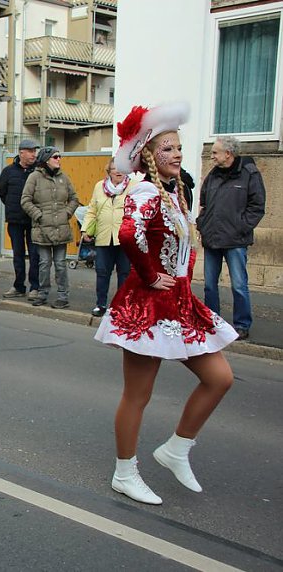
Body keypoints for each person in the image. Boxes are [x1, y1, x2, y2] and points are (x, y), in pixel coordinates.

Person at [95, 102, 238, 505]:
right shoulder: (143, 189)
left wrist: (176, 278)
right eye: (168, 148)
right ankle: (125, 472)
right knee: (138, 395)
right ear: (149, 156)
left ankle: (176, 449)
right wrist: (147, 273)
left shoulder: (174, 194)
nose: (177, 154)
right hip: (147, 304)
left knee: (219, 377)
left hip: (177, 301)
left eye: (178, 147)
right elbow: (128, 233)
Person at [197, 136, 266, 340]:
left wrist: (241, 227)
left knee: (238, 285)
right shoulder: (213, 175)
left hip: (236, 240)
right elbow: (204, 203)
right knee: (210, 284)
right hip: (212, 238)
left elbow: (257, 207)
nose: (212, 156)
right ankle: (212, 321)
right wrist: (202, 224)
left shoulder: (249, 174)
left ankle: (242, 325)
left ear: (228, 153)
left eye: (215, 152)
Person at [20, 146, 78, 309]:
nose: (59, 159)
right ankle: (42, 293)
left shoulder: (64, 178)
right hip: (42, 229)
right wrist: (39, 215)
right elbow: (25, 200)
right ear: (46, 160)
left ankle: (62, 296)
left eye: (59, 156)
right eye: (55, 157)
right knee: (44, 263)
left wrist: (66, 213)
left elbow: (74, 198)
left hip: (61, 228)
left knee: (60, 263)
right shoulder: (34, 177)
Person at [81, 158, 131, 317]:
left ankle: (121, 307)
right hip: (103, 236)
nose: (118, 171)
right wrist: (85, 230)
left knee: (124, 273)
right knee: (102, 272)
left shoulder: (134, 186)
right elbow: (92, 210)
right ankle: (101, 304)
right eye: (114, 168)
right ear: (109, 172)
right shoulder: (99, 187)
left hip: (124, 238)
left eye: (121, 168)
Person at [0, 139, 40, 300]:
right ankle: (18, 286)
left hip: (33, 220)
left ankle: (35, 287)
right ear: (21, 152)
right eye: (30, 151)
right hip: (15, 220)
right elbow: (3, 193)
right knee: (18, 254)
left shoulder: (38, 171)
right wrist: (13, 207)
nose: (33, 154)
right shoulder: (8, 171)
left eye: (34, 151)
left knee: (35, 254)